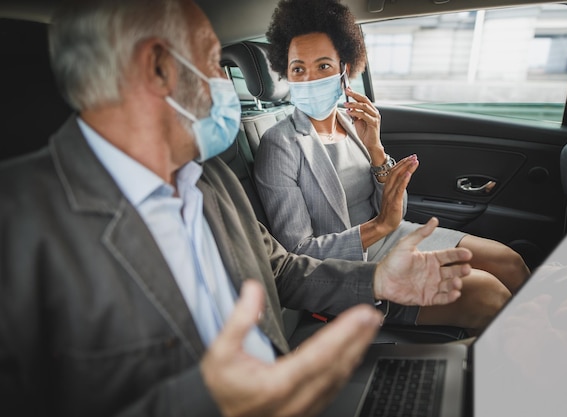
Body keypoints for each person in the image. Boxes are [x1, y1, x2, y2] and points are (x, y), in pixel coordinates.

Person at [0, 0, 474, 416]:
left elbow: (283, 270)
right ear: (159, 67)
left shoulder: (208, 177)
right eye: (211, 59)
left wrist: (376, 280)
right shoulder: (16, 223)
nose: (224, 82)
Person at [255, 0, 531, 333]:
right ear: (286, 74)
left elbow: (391, 209)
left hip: (394, 237)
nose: (310, 78)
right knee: (488, 294)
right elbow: (297, 253)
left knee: (509, 262)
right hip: (347, 271)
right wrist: (380, 227)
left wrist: (375, 150)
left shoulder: (350, 122)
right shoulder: (280, 144)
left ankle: (544, 337)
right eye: (299, 68)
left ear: (345, 68)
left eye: (324, 66)